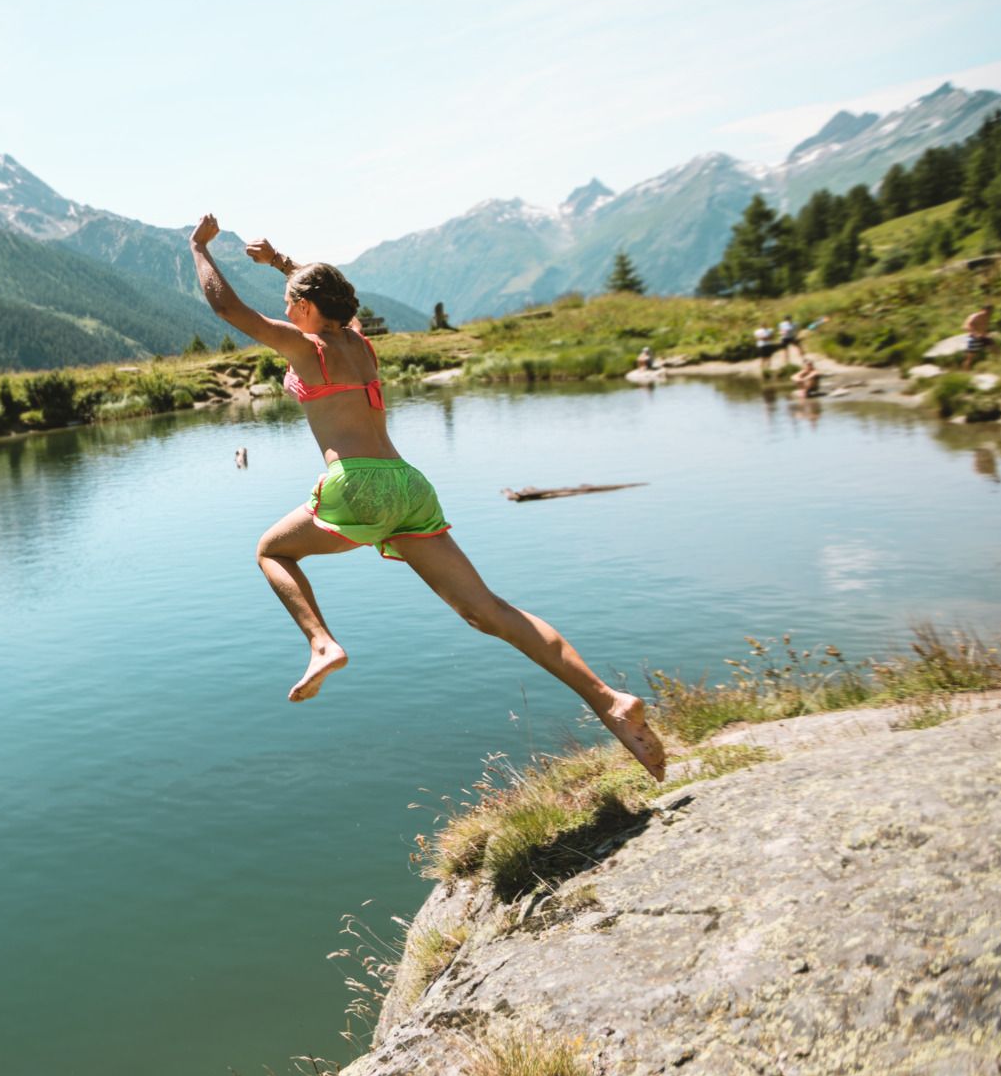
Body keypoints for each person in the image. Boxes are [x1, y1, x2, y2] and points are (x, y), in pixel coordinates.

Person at [190, 215, 667, 781]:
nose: (287, 311)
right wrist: (282, 263)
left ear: (308, 308)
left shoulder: (306, 347)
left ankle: (321, 644)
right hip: (408, 486)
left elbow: (229, 309)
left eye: (291, 303)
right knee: (488, 611)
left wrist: (199, 249)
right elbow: (328, 296)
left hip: (358, 485)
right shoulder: (360, 343)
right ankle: (610, 701)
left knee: (271, 551)